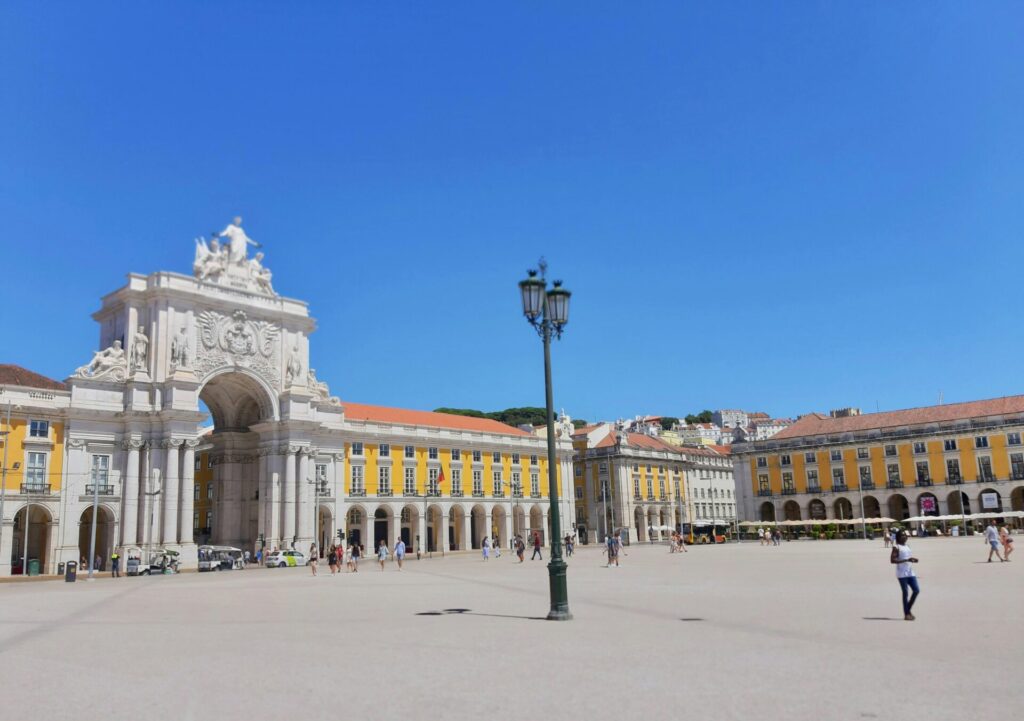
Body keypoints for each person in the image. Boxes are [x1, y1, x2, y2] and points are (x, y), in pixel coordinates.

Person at [890, 530, 920, 620]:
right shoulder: (896, 547)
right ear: (898, 537)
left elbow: (908, 557)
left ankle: (908, 610)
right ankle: (907, 614)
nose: (905, 537)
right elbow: (892, 560)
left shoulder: (907, 546)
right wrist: (906, 560)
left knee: (916, 590)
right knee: (905, 592)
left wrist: (913, 559)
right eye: (902, 535)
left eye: (905, 535)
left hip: (910, 572)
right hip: (902, 574)